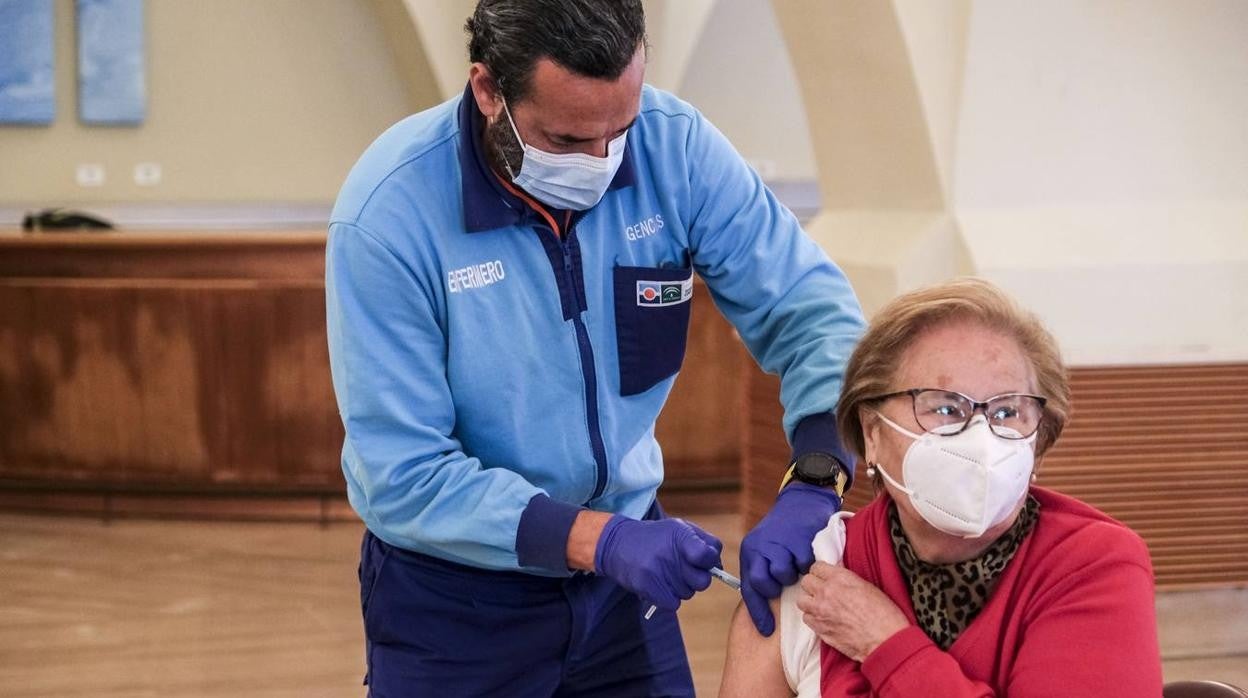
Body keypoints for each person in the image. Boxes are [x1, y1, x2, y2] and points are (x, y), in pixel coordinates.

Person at [325, 1, 865, 695]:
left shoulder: (676, 149)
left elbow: (812, 311)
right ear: (488, 91)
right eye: (568, 139)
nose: (603, 162)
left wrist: (817, 480)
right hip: (455, 601)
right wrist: (598, 540)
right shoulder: (389, 215)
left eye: (621, 130)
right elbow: (402, 472)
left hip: (623, 596)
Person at [718, 278, 1164, 697]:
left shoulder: (1091, 566)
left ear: (1038, 443)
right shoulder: (817, 575)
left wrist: (886, 644)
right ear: (871, 433)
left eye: (1008, 413)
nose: (980, 437)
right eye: (945, 408)